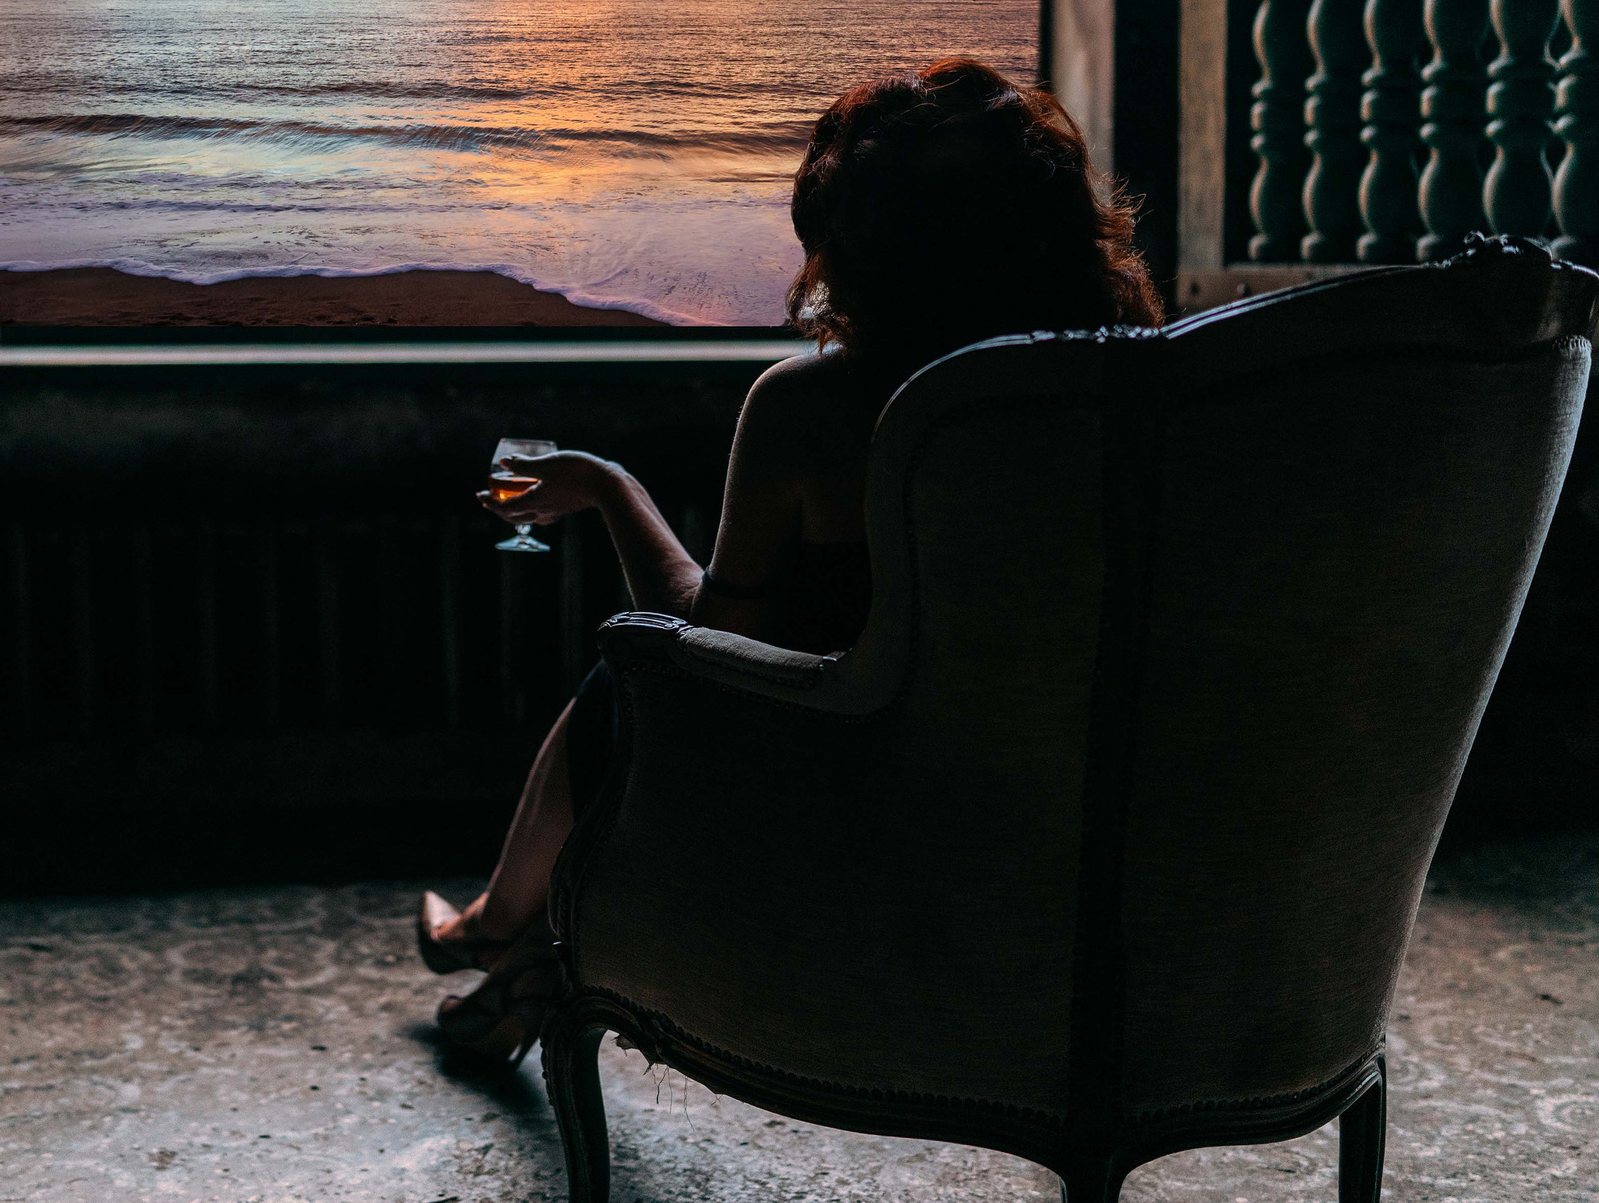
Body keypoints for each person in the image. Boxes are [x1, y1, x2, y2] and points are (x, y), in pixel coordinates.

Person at [414, 57, 1166, 1066]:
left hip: (852, 813)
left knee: (626, 678)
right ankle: (511, 964)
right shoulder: (1142, 395)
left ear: (853, 243)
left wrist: (608, 489)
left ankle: (501, 933)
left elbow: (711, 649)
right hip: (1076, 814)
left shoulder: (814, 410)